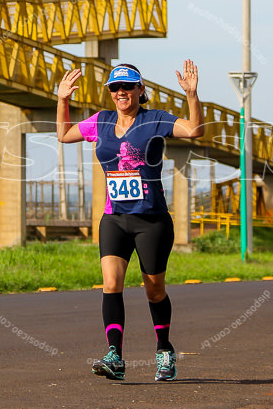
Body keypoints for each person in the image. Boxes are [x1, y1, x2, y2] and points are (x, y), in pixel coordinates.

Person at [56, 60, 203, 382]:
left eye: (127, 87)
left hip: (151, 220)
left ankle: (164, 350)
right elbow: (65, 135)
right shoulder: (101, 121)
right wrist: (63, 100)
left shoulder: (155, 120)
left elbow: (193, 130)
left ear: (141, 90)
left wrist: (192, 95)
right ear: (110, 93)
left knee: (154, 290)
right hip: (115, 218)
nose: (121, 92)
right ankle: (115, 356)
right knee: (111, 284)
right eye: (115, 88)